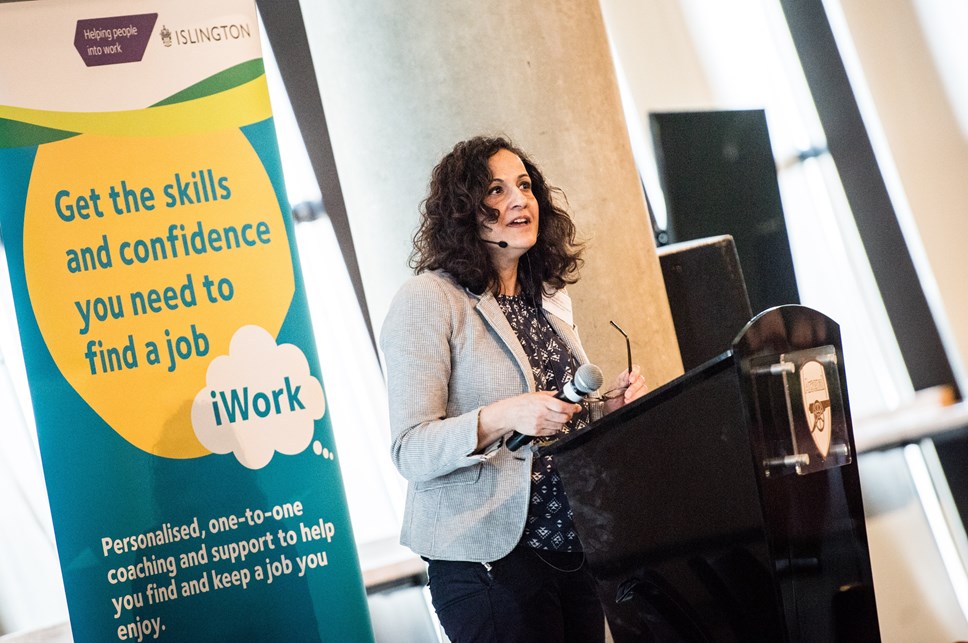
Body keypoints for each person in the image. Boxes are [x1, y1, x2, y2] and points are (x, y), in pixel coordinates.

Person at [380, 135, 647, 642]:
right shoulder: (430, 299)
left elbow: (556, 416)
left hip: (571, 548)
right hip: (489, 562)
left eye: (525, 186)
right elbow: (410, 449)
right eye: (497, 191)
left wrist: (608, 408)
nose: (520, 200)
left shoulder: (544, 298)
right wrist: (504, 415)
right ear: (463, 211)